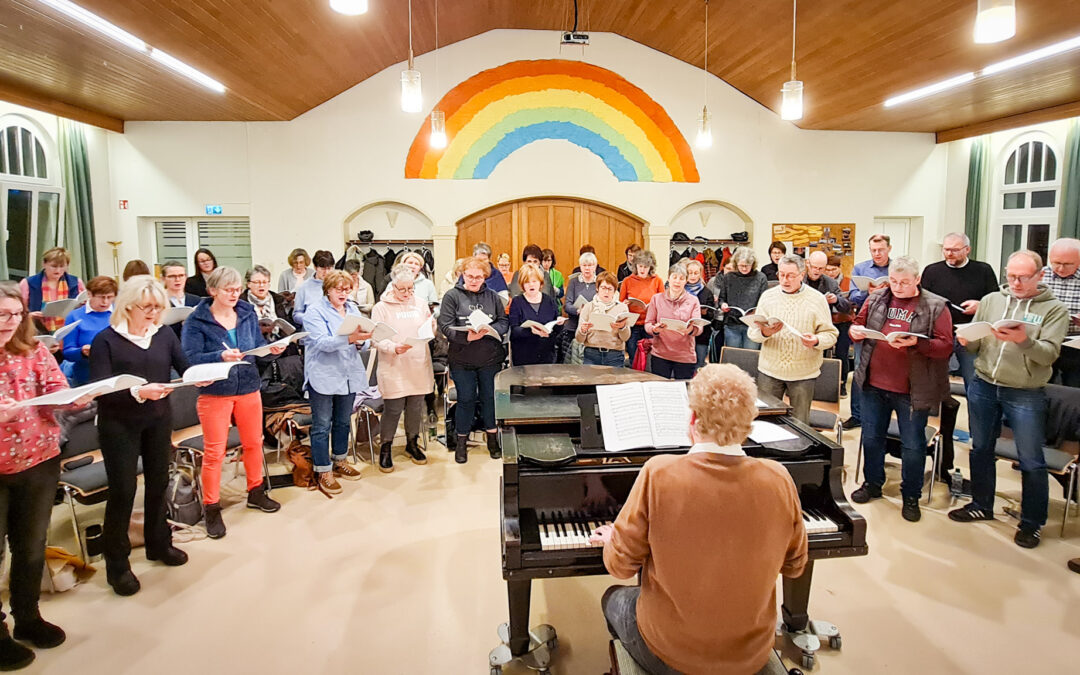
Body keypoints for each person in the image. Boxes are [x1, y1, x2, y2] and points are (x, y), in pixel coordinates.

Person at [590, 364, 807, 675]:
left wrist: (615, 541)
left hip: (673, 653)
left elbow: (620, 568)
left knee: (614, 597)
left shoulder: (659, 473)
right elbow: (795, 565)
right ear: (750, 423)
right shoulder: (779, 478)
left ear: (692, 418)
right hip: (750, 654)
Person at [948, 250, 1069, 549]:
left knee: (1030, 459)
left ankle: (1031, 523)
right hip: (985, 384)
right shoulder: (991, 300)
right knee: (981, 449)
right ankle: (981, 504)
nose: (1014, 282)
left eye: (1022, 277)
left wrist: (1022, 340)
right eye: (1010, 275)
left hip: (1025, 391)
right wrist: (968, 341)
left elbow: (1049, 354)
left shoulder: (1054, 310)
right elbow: (978, 347)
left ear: (1040, 276)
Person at [88, 275, 196, 596]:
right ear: (129, 306)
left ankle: (159, 543)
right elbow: (102, 391)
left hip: (159, 420)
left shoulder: (163, 335)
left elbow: (184, 366)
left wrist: (201, 376)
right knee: (122, 491)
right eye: (147, 308)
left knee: (158, 482)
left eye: (158, 308)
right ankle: (117, 565)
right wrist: (139, 391)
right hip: (119, 423)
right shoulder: (105, 341)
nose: (153, 314)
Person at [0, 283, 82, 669]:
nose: (10, 322)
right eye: (3, 315)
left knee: (31, 547)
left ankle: (27, 617)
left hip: (38, 460)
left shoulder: (32, 349)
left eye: (16, 315)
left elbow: (55, 386)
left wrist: (71, 397)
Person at [848, 256, 953, 522]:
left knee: (912, 445)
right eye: (893, 281)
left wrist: (915, 344)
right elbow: (857, 324)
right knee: (871, 437)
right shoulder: (877, 298)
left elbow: (946, 347)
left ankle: (911, 495)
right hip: (874, 383)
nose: (898, 287)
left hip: (911, 389)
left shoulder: (935, 305)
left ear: (917, 280)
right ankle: (873, 484)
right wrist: (855, 332)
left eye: (904, 282)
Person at [182, 267, 284, 538]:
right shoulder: (196, 320)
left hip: (248, 386)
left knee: (254, 443)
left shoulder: (248, 312)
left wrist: (271, 350)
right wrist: (219, 356)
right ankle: (211, 507)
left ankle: (255, 491)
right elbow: (189, 358)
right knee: (215, 452)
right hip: (216, 390)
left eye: (237, 289)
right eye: (228, 289)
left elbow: (256, 347)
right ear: (212, 290)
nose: (234, 294)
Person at [748, 255, 838, 423]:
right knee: (765, 421)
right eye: (781, 274)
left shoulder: (816, 299)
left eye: (790, 275)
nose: (784, 280)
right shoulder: (768, 296)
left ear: (802, 275)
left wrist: (816, 340)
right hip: (770, 370)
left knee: (800, 423)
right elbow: (752, 333)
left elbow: (831, 335)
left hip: (803, 372)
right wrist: (765, 333)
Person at [301, 270, 370, 490]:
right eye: (338, 289)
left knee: (343, 422)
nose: (343, 293)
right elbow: (322, 343)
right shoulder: (314, 311)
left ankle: (340, 460)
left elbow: (363, 343)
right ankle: (323, 470)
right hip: (323, 374)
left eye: (347, 289)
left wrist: (361, 342)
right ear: (327, 289)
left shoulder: (352, 308)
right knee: (322, 425)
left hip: (348, 374)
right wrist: (350, 338)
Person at [437, 256, 509, 464]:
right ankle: (461, 441)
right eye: (470, 276)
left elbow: (503, 321)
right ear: (462, 275)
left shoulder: (493, 297)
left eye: (478, 277)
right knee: (466, 398)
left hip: (489, 357)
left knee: (489, 398)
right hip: (462, 358)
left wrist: (493, 330)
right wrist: (466, 336)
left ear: (485, 277)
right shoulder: (452, 296)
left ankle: (492, 440)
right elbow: (445, 326)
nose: (474, 280)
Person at [371, 265, 435, 472]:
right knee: (394, 407)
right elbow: (376, 336)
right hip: (394, 363)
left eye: (411, 289)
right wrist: (392, 347)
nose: (407, 293)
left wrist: (431, 328)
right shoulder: (381, 307)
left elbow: (428, 328)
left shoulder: (421, 304)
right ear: (393, 286)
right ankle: (386, 447)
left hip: (417, 361)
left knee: (416, 405)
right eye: (403, 289)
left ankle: (412, 442)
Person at [920, 233, 999, 392]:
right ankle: (932, 413)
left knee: (974, 379)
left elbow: (996, 301)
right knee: (932, 379)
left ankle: (975, 414)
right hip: (939, 333)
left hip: (970, 334)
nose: (949, 254)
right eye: (946, 249)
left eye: (955, 250)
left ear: (967, 249)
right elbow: (922, 300)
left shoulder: (983, 270)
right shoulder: (932, 270)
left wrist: (980, 306)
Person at [843, 234, 894, 430]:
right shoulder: (861, 268)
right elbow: (854, 297)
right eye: (873, 250)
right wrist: (869, 293)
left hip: (890, 324)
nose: (877, 253)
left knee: (888, 369)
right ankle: (857, 414)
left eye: (881, 250)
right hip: (866, 323)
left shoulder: (896, 268)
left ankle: (886, 416)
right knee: (859, 369)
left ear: (889, 248)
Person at [644, 263, 702, 379]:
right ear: (668, 278)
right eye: (674, 277)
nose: (677, 281)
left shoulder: (693, 300)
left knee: (683, 393)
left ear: (686, 281)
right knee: (660, 391)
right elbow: (648, 323)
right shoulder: (657, 299)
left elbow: (699, 328)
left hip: (685, 356)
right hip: (660, 354)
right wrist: (654, 329)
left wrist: (691, 330)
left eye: (681, 278)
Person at [61, 275, 117, 386]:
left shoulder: (120, 313)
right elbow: (67, 352)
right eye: (101, 297)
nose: (105, 302)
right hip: (85, 377)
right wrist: (82, 351)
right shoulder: (74, 316)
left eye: (109, 297)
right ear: (89, 294)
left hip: (116, 376)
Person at [709, 246, 768, 350]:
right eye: (741, 265)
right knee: (733, 356)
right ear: (736, 264)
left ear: (753, 264)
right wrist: (723, 305)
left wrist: (755, 311)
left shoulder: (761, 278)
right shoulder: (728, 277)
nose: (744, 268)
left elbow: (765, 301)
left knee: (750, 357)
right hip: (732, 323)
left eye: (747, 266)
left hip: (752, 324)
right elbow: (722, 298)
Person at [1041, 238, 1080, 387]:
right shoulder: (1039, 276)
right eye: (1056, 263)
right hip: (1045, 341)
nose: (1061, 268)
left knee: (1074, 391)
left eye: (1068, 264)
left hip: (1075, 344)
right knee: (1043, 388)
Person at [19, 247, 85, 333]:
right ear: (44, 264)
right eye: (53, 266)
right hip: (35, 330)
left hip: (68, 330)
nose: (58, 270)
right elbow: (18, 310)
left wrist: (83, 305)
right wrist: (30, 315)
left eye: (62, 267)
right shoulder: (28, 283)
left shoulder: (76, 282)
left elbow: (84, 308)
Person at [508, 264, 561, 366]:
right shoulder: (517, 302)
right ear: (522, 285)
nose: (531, 285)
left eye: (534, 281)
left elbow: (556, 329)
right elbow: (514, 330)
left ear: (540, 283)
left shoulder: (549, 300)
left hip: (547, 356)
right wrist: (530, 331)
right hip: (524, 356)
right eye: (527, 282)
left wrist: (559, 324)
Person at [620, 250, 665, 364]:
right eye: (640, 266)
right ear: (635, 266)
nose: (643, 269)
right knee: (633, 356)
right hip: (633, 324)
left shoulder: (657, 281)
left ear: (651, 267)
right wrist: (625, 304)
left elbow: (663, 302)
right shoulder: (627, 281)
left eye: (646, 266)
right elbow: (620, 303)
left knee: (651, 357)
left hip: (651, 324)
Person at [577, 271, 631, 366]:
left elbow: (626, 337)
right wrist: (583, 330)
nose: (606, 292)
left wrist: (622, 327)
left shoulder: (622, 308)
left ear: (615, 291)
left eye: (610, 289)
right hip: (591, 353)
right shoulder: (588, 307)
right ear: (597, 288)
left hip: (614, 354)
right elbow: (579, 339)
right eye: (603, 288)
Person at [825, 255, 855, 396]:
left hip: (844, 321)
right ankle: (825, 383)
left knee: (842, 353)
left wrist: (838, 300)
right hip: (828, 320)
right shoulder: (824, 282)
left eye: (833, 269)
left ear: (839, 268)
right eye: (828, 270)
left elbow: (851, 304)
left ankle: (842, 383)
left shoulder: (848, 282)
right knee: (824, 352)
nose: (830, 273)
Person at [243, 265, 293, 338]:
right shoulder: (241, 303)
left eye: (265, 282)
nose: (262, 285)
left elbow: (285, 327)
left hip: (278, 344)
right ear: (248, 284)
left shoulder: (278, 300)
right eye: (257, 282)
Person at [291, 249, 336, 326]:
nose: (326, 272)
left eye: (329, 268)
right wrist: (310, 319)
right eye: (323, 269)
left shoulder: (338, 284)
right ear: (315, 267)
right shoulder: (304, 287)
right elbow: (296, 314)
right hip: (313, 330)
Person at [684, 260, 715, 368]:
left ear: (700, 274)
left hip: (702, 335)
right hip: (683, 335)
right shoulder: (680, 290)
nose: (692, 276)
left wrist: (705, 312)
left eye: (696, 273)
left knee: (699, 364)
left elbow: (712, 314)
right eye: (690, 272)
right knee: (684, 365)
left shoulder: (707, 292)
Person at [159, 261, 201, 338]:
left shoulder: (196, 300)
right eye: (172, 276)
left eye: (181, 275)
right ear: (163, 279)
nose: (177, 279)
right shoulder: (158, 301)